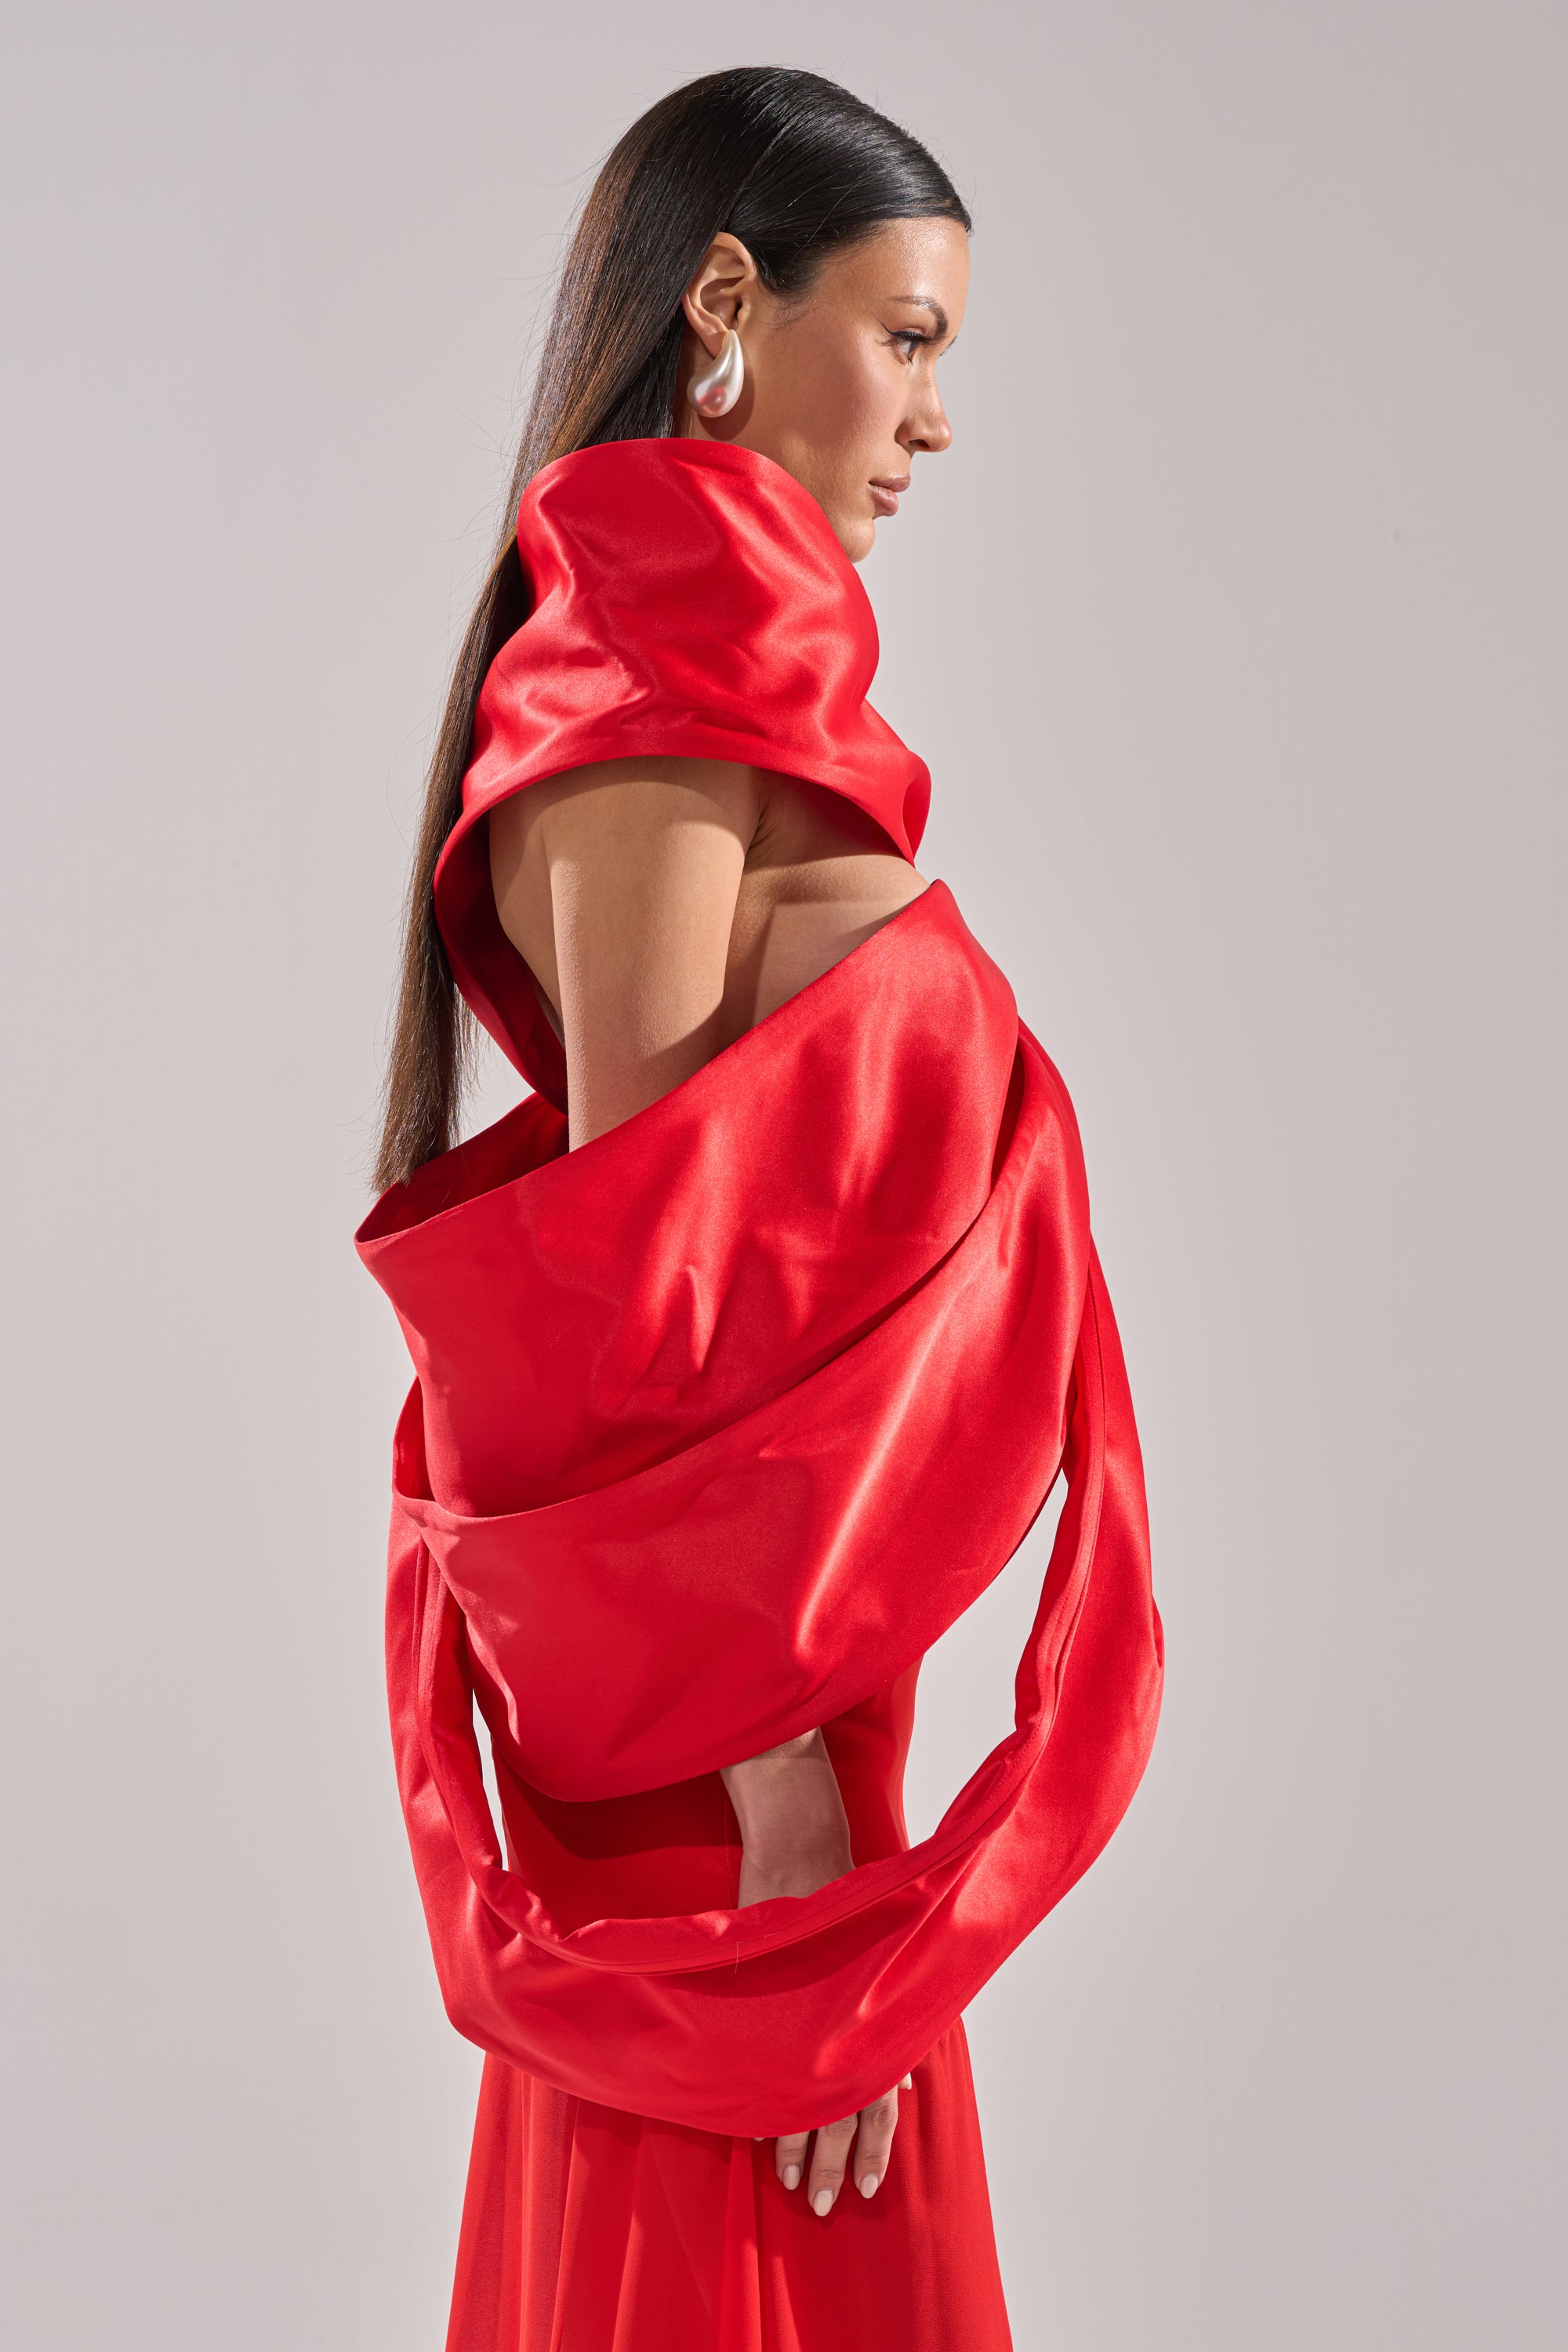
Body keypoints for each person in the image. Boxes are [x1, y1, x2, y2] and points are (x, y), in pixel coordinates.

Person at [358, 65, 1163, 2352]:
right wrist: (788, 1812)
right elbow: (635, 1262)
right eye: (903, 338)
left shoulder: (726, 684)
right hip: (734, 1764)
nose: (933, 419)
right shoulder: (639, 691)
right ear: (730, 300)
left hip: (801, 1691)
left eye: (947, 360)